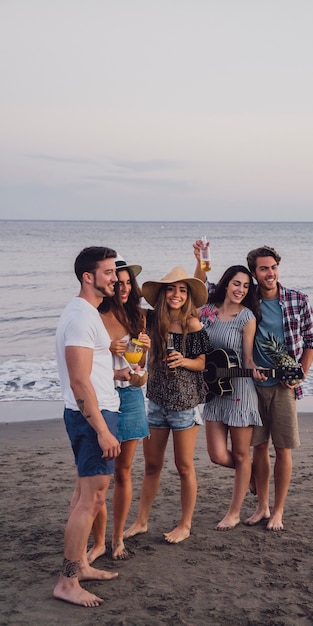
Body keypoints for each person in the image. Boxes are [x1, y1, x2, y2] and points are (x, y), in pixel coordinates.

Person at [193, 241, 313, 532]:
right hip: (250, 384)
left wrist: (301, 373)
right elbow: (203, 288)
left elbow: (311, 340)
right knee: (258, 449)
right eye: (264, 269)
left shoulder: (297, 300)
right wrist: (201, 259)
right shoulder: (247, 300)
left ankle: (277, 511)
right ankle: (261, 505)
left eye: (273, 267)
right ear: (254, 272)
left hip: (283, 386)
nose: (270, 273)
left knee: (283, 450)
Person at [54, 246, 131, 608]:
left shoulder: (84, 313)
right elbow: (79, 381)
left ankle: (80, 564)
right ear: (89, 276)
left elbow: (90, 371)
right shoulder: (83, 317)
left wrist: (116, 373)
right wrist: (102, 429)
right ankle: (68, 581)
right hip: (92, 416)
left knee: (84, 495)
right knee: (93, 499)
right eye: (108, 272)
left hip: (92, 410)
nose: (115, 278)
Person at [124, 267, 210, 543]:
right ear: (162, 293)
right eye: (171, 289)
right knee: (151, 465)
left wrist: (183, 361)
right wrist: (140, 348)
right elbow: (135, 360)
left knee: (184, 466)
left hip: (184, 404)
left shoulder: (193, 324)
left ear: (188, 297)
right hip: (157, 400)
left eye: (182, 290)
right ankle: (141, 521)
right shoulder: (149, 321)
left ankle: (185, 525)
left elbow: (202, 364)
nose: (176, 294)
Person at [87, 254, 151, 564]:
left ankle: (116, 539)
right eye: (118, 281)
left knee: (124, 472)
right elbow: (86, 367)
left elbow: (141, 374)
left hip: (131, 399)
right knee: (102, 476)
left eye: (128, 283)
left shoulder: (138, 318)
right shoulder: (95, 317)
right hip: (102, 397)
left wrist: (140, 372)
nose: (123, 287)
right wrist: (107, 350)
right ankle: (98, 541)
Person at [199, 265, 264, 530]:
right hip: (214, 391)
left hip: (240, 391)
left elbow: (247, 358)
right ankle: (248, 475)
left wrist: (255, 370)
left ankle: (234, 513)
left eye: (246, 286)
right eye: (236, 284)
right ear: (226, 284)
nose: (241, 290)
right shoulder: (208, 312)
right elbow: (194, 290)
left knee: (240, 454)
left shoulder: (246, 316)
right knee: (216, 455)